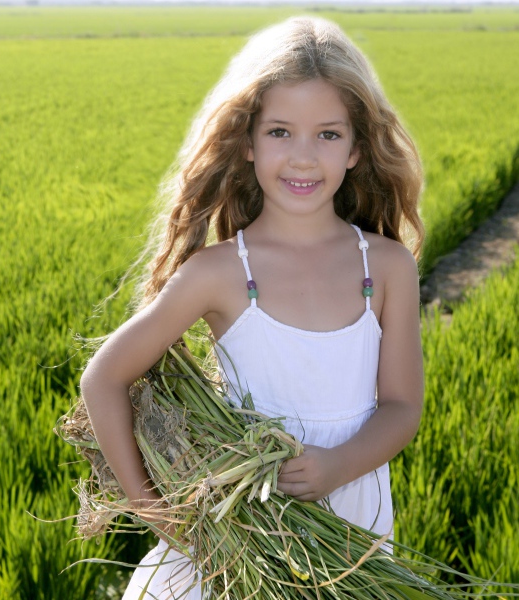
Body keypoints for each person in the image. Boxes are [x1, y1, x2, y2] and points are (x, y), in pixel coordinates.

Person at [80, 16, 425, 600]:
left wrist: (336, 467)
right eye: (280, 132)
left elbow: (401, 407)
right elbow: (104, 377)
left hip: (348, 538)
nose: (304, 158)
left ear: (358, 149)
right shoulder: (219, 273)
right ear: (247, 141)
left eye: (329, 135)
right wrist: (159, 514)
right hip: (238, 539)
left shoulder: (387, 268)